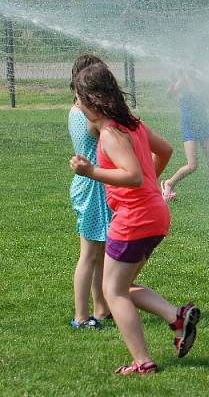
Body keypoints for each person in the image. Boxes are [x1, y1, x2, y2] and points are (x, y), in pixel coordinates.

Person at [69, 63, 200, 375]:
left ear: (91, 101)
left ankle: (142, 362)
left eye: (78, 99)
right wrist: (151, 186)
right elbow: (165, 150)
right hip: (154, 215)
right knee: (120, 286)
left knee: (112, 291)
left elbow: (131, 175)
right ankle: (177, 317)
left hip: (133, 220)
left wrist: (90, 172)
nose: (77, 106)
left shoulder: (111, 132)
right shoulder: (133, 124)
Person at [68, 54, 113, 329]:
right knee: (89, 254)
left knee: (100, 253)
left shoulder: (74, 109)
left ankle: (101, 309)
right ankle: (81, 316)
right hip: (94, 185)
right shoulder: (91, 118)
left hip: (86, 183)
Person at [160, 67, 209, 203]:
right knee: (192, 165)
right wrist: (172, 87)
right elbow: (169, 95)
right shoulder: (181, 82)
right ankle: (169, 184)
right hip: (189, 127)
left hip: (204, 125)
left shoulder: (202, 83)